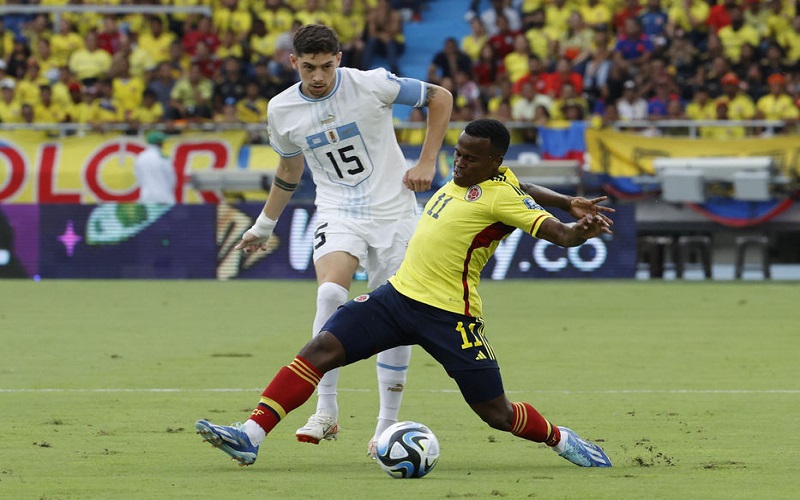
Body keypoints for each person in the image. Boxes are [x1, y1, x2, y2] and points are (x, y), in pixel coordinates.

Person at [223, 24, 614, 459]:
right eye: (458, 153)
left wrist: (578, 229)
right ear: (294, 63)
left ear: (495, 163)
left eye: (468, 157)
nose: (457, 162)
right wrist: (566, 199)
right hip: (396, 297)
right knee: (320, 343)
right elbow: (530, 188)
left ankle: (562, 440)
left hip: (449, 315)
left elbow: (556, 232)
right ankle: (251, 435)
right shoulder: (472, 176)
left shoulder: (503, 198)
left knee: (496, 412)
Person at [133, 130, 176, 204]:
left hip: (146, 197)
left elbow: (138, 178)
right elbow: (171, 179)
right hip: (164, 198)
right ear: (159, 143)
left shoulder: (140, 157)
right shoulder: (163, 158)